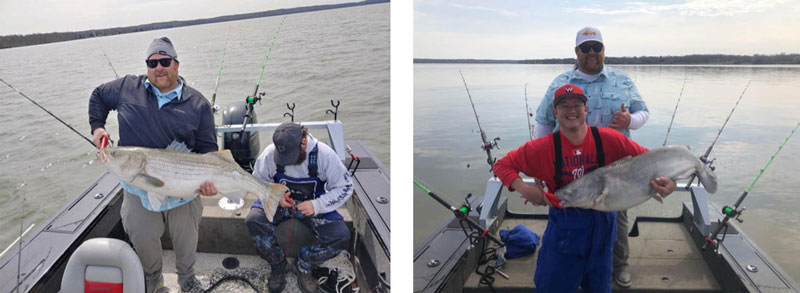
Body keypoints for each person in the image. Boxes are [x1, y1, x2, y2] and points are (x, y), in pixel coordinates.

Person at [496, 84, 676, 292]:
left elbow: (653, 161)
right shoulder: (543, 148)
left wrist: (669, 181)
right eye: (564, 105)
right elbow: (502, 165)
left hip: (602, 243)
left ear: (586, 109)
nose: (571, 110)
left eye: (577, 105)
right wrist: (524, 188)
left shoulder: (610, 139)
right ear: (555, 112)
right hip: (563, 241)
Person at [88, 37, 218, 293]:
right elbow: (98, 97)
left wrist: (210, 183)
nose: (159, 67)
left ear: (176, 64)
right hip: (138, 188)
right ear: (147, 66)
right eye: (152, 63)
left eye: (165, 61)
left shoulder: (198, 104)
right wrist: (98, 127)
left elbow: (208, 150)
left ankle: (187, 278)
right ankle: (153, 279)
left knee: (186, 240)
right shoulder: (127, 87)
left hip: (183, 190)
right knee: (143, 239)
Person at [532, 26, 650, 288]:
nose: (592, 52)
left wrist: (630, 120)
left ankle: (620, 265)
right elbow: (543, 120)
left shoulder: (622, 80)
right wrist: (539, 163)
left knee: (618, 218)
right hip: (569, 166)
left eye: (596, 47)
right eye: (585, 48)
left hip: (616, 169)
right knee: (566, 214)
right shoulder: (560, 83)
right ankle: (568, 266)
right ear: (577, 52)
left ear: (604, 50)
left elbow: (644, 113)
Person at [245, 122, 353, 293]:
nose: (287, 161)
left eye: (291, 156)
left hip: (312, 204)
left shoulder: (325, 155)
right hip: (280, 203)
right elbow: (258, 180)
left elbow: (345, 186)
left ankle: (304, 265)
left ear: (303, 142)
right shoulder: (269, 154)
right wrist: (276, 197)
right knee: (254, 220)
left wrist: (317, 205)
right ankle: (277, 265)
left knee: (340, 234)